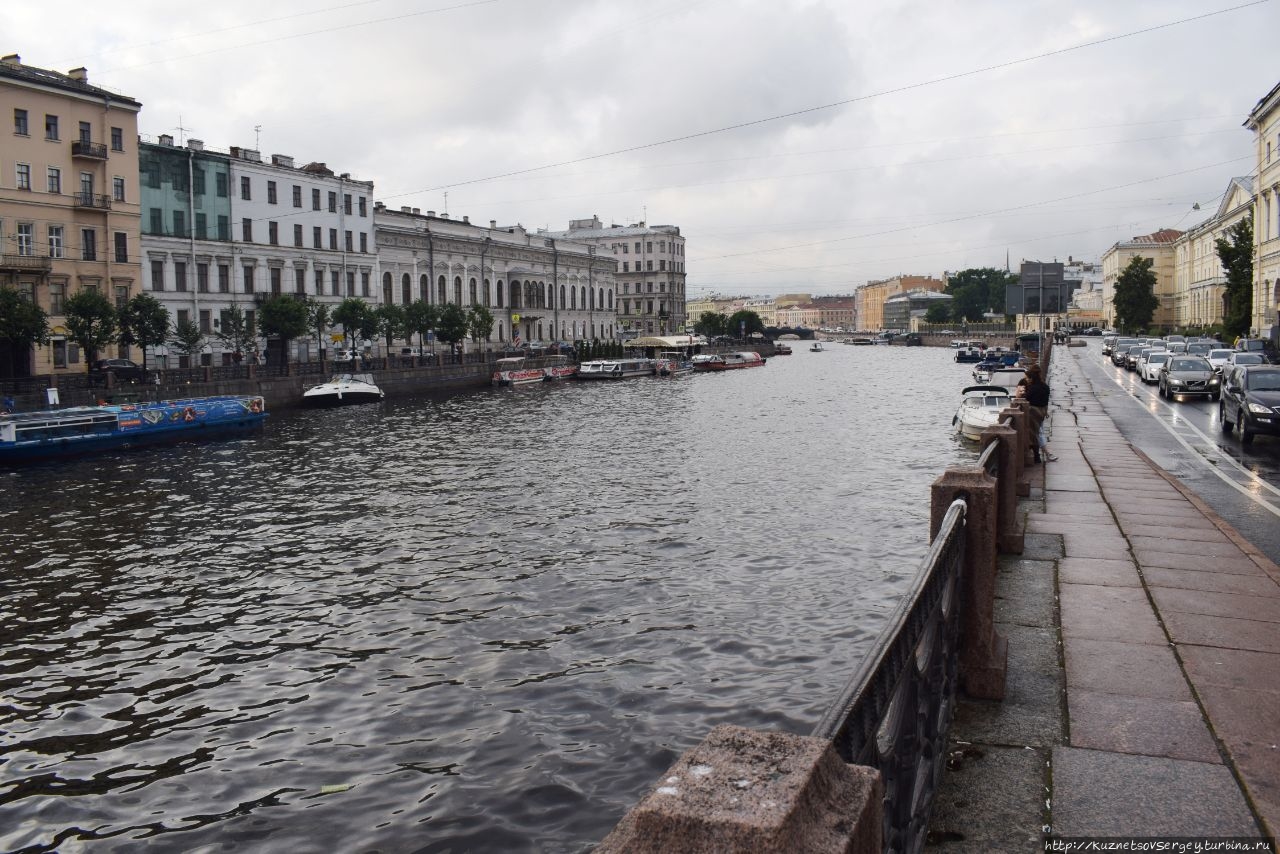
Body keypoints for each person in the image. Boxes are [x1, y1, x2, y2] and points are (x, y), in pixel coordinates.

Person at [1021, 366, 1056, 462]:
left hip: (1033, 413)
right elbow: (1045, 401)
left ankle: (1039, 456)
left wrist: (1021, 393)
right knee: (1039, 432)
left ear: (1032, 378)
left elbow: (1025, 398)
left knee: (1036, 434)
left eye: (1028, 378)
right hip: (1042, 412)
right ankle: (1046, 454)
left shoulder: (1033, 388)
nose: (1027, 380)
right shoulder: (1045, 387)